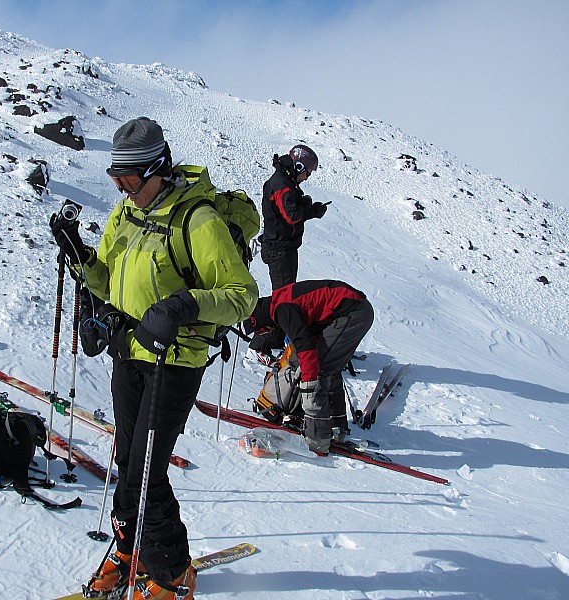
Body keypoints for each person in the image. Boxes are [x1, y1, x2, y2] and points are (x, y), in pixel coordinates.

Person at [50, 117, 258, 600]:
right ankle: (129, 551)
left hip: (174, 360)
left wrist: (183, 305)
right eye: (115, 179)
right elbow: (106, 280)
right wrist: (78, 254)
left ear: (159, 169)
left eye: (130, 179)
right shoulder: (125, 215)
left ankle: (171, 571)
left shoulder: (198, 220)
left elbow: (241, 296)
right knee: (127, 459)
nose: (123, 189)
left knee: (146, 467)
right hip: (129, 353)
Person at [243, 279, 374, 454]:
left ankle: (318, 438)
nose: (263, 334)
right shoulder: (281, 301)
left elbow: (305, 347)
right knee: (329, 368)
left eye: (260, 331)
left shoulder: (282, 308)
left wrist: (309, 380)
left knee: (319, 370)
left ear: (257, 320)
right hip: (356, 310)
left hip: (351, 313)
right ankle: (336, 427)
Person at [260, 144, 329, 290]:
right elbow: (291, 216)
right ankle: (277, 314)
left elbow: (291, 213)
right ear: (299, 167)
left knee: (287, 294)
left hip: (284, 247)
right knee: (284, 297)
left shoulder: (286, 182)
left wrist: (312, 211)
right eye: (308, 173)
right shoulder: (281, 185)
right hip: (279, 249)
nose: (306, 178)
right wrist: (306, 205)